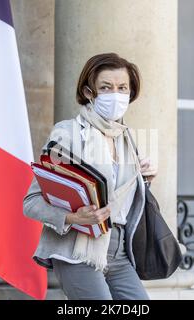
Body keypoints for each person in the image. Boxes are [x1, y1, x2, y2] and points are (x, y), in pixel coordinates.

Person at [23, 52, 158, 300]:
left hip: (119, 252)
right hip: (80, 251)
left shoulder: (125, 137)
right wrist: (73, 217)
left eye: (122, 88)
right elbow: (31, 202)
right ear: (88, 92)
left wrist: (144, 178)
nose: (116, 94)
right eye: (106, 87)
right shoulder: (68, 134)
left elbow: (118, 198)